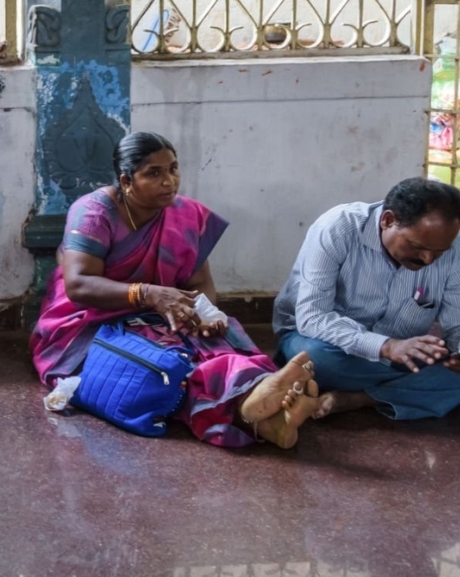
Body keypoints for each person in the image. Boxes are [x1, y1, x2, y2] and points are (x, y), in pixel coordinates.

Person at [32, 132, 321, 448]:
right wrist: (148, 294)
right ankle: (248, 405)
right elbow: (78, 285)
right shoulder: (94, 213)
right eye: (153, 173)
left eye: (173, 169)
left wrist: (203, 314)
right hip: (89, 325)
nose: (169, 181)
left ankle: (266, 418)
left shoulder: (187, 215)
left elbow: (200, 285)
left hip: (161, 315)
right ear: (127, 180)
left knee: (214, 341)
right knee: (161, 366)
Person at [273, 177, 460, 420]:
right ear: (388, 221)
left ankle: (362, 398)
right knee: (315, 359)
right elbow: (313, 317)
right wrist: (386, 346)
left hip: (403, 355)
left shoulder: (456, 249)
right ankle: (417, 390)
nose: (427, 259)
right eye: (417, 246)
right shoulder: (338, 228)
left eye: (439, 252)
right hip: (327, 346)